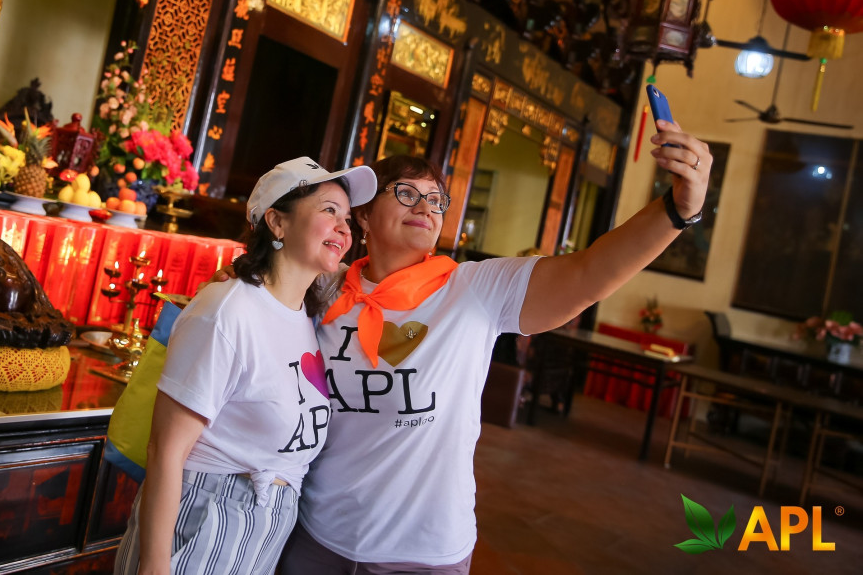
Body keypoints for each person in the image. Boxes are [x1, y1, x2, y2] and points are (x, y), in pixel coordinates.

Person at [274, 119, 712, 573]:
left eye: (436, 200)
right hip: (318, 535)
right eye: (406, 193)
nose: (425, 207)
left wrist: (677, 211)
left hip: (420, 553)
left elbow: (588, 272)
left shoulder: (474, 290)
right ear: (363, 215)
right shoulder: (323, 289)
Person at [114, 156, 377, 575]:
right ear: (277, 222)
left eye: (347, 218)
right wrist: (155, 565)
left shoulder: (306, 314)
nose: (345, 229)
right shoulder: (226, 311)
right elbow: (165, 450)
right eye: (329, 210)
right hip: (203, 514)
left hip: (267, 525)